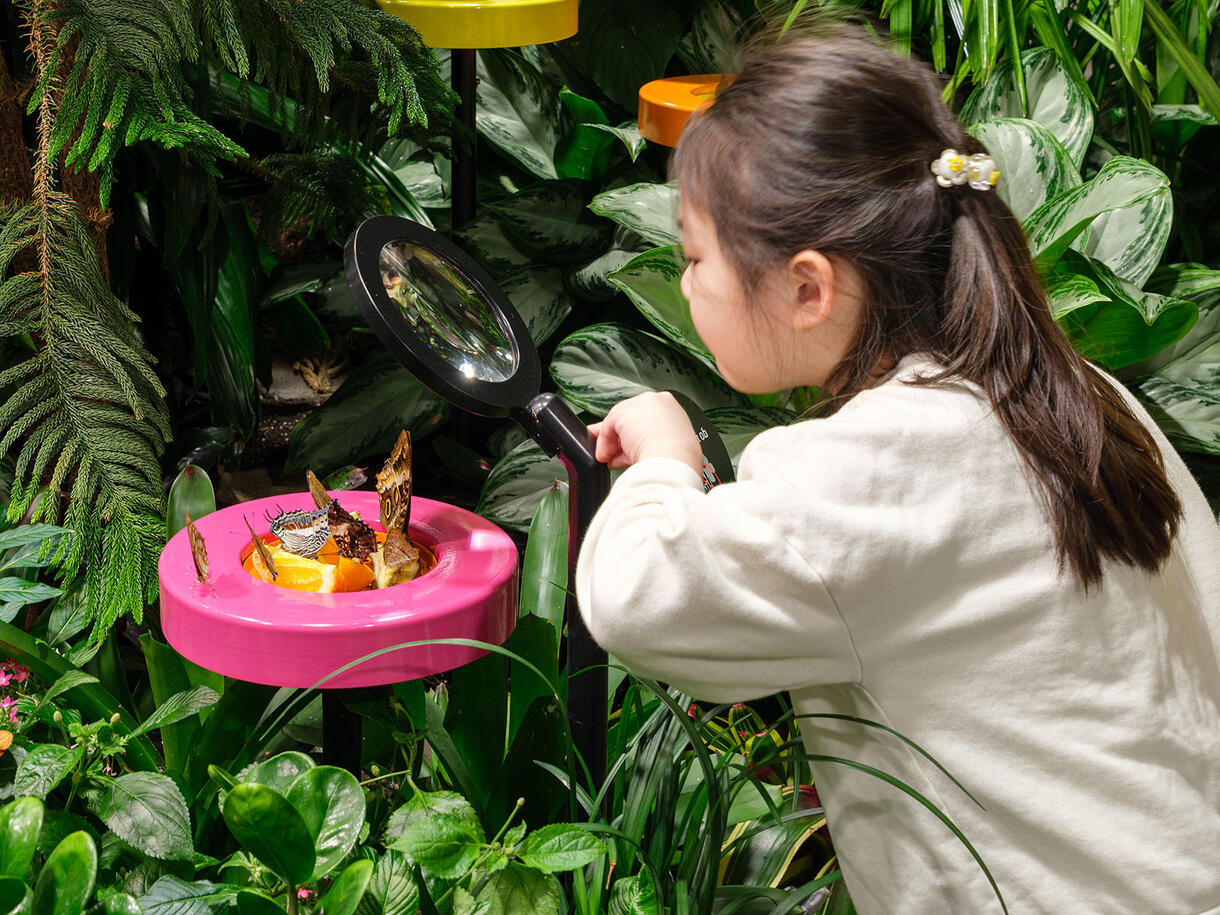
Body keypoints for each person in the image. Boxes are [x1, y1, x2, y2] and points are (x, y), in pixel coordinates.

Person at [574, 24, 1220, 915]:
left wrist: (665, 459)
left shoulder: (872, 466)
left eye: (693, 258)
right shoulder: (1076, 393)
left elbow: (640, 598)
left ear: (808, 287)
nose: (684, 284)